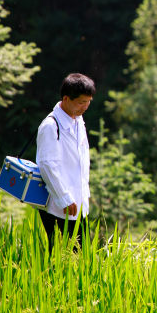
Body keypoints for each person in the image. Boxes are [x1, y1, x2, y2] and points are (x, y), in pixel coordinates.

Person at [35, 73, 95, 252]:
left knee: (82, 256)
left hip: (78, 205)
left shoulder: (78, 121)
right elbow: (47, 165)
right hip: (59, 206)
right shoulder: (51, 126)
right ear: (66, 99)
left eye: (88, 102)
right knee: (62, 255)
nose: (85, 107)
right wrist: (64, 198)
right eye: (81, 102)